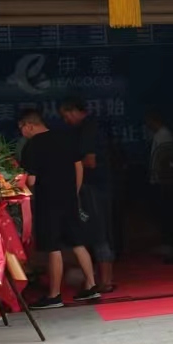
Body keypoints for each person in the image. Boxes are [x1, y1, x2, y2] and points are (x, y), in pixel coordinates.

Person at [17, 107, 100, 308]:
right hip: (69, 198)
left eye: (21, 128)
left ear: (29, 125)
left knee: (53, 247)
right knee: (77, 242)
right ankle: (91, 285)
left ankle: (54, 295)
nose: (22, 133)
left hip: (48, 202)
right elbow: (78, 166)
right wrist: (75, 191)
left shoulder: (32, 145)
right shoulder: (65, 137)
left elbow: (32, 180)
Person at [59, 96, 115, 293]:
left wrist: (66, 165)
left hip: (95, 188)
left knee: (99, 233)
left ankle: (105, 281)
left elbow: (90, 161)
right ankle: (103, 279)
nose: (66, 121)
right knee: (98, 233)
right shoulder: (87, 128)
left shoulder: (90, 129)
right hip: (96, 187)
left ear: (74, 111)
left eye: (66, 116)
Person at [143, 110, 173, 257]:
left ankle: (170, 244)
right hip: (160, 179)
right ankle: (167, 243)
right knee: (163, 211)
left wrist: (162, 174)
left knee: (167, 211)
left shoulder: (164, 135)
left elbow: (166, 157)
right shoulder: (158, 135)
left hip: (165, 180)